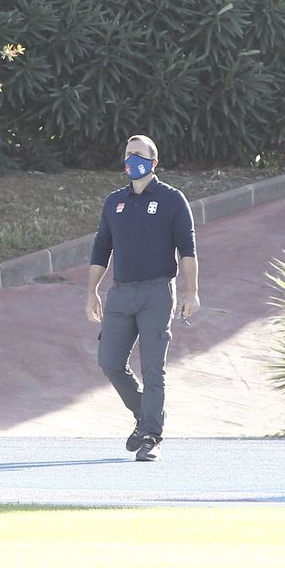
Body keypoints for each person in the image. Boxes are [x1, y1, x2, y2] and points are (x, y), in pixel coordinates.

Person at [86, 134, 199, 462]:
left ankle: (151, 436)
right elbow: (101, 248)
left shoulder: (171, 199)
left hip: (156, 292)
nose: (132, 159)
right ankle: (146, 414)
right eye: (128, 153)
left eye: (139, 154)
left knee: (152, 367)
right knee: (109, 362)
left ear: (154, 161)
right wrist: (91, 291)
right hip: (120, 293)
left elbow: (187, 249)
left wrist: (191, 290)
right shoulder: (114, 202)